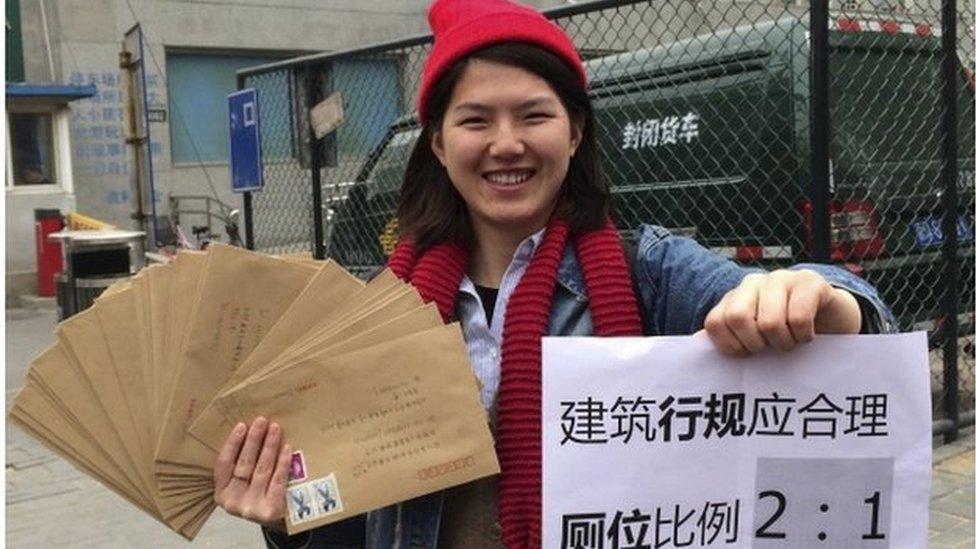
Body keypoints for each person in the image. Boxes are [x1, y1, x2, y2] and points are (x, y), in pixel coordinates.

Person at [213, 0, 896, 547]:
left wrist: (825, 300)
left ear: (573, 132)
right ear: (439, 143)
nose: (506, 143)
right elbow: (352, 522)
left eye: (534, 115)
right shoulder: (376, 312)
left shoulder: (648, 272)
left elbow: (860, 326)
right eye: (475, 119)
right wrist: (284, 519)